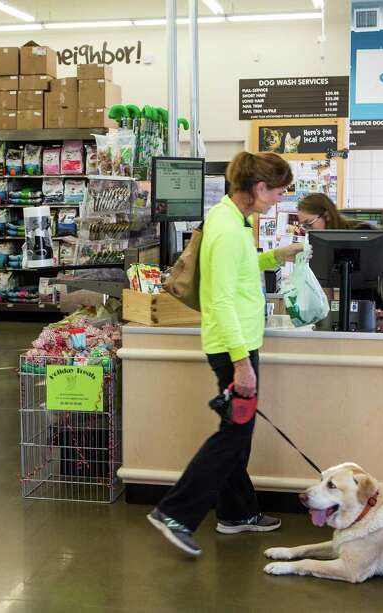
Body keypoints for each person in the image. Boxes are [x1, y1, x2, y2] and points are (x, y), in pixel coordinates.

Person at [147, 151, 299, 558]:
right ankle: (175, 512)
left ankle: (237, 513)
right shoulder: (230, 231)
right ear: (259, 188)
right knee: (233, 436)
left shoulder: (229, 218)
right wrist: (241, 363)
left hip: (238, 345)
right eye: (279, 192)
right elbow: (220, 301)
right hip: (235, 349)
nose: (280, 200)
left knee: (238, 436)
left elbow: (236, 272)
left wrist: (273, 257)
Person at [295, 193, 383, 276]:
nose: (307, 231)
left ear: (327, 216)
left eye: (309, 224)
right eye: (304, 226)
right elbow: (326, 287)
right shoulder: (321, 245)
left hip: (375, 301)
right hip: (347, 302)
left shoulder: (364, 231)